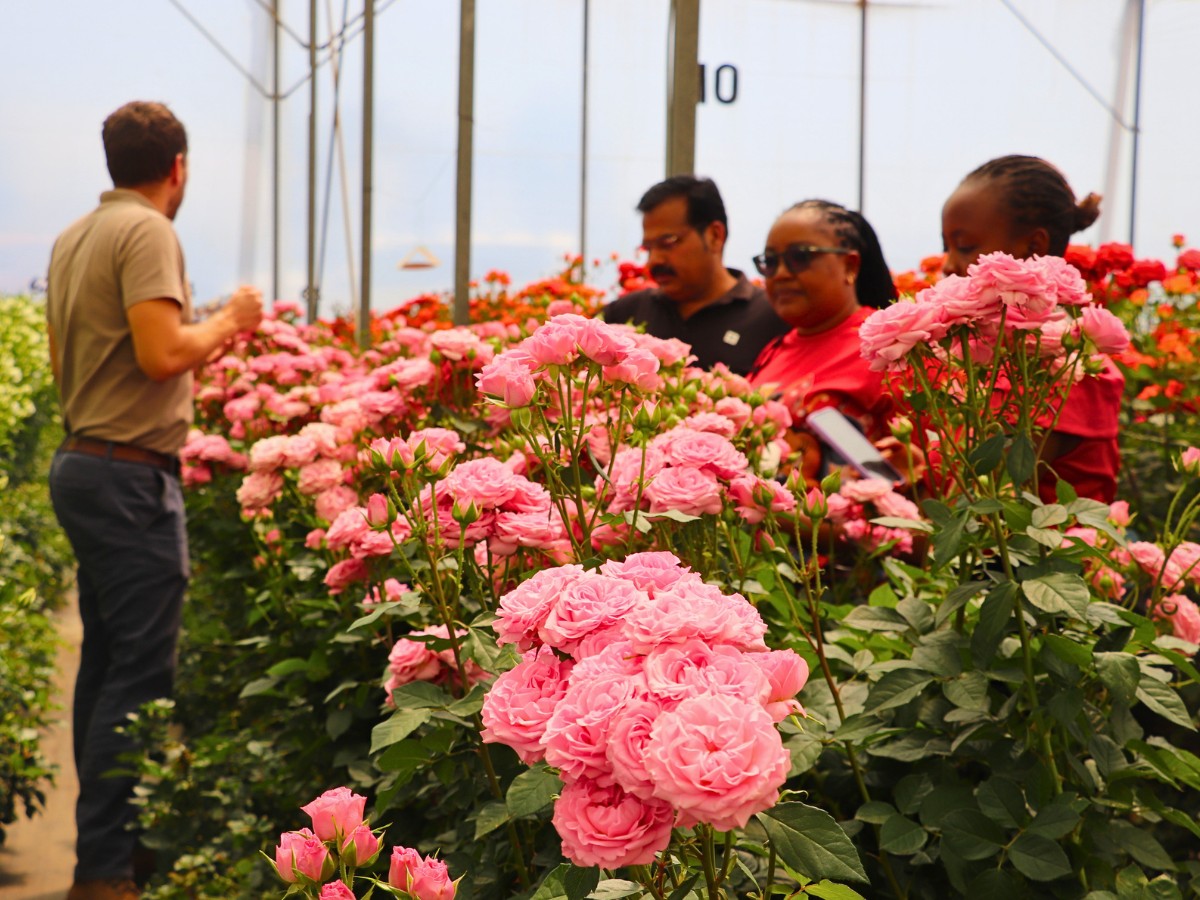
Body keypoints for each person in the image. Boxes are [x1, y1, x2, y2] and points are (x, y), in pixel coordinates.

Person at [46, 101, 263, 900]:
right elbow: (162, 352)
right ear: (179, 167)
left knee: (106, 667)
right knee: (137, 676)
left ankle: (111, 850)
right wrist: (229, 321)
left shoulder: (75, 237)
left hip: (86, 461)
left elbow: (65, 356)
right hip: (128, 473)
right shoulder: (148, 232)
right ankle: (105, 871)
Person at [940, 154, 1124, 503]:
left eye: (965, 247)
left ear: (1034, 246)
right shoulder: (996, 349)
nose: (948, 263)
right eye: (945, 246)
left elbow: (989, 499)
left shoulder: (1069, 366)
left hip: (1045, 553)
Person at [749, 199, 898, 482]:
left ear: (850, 265)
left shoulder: (889, 347)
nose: (781, 273)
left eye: (800, 257)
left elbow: (927, 476)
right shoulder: (775, 349)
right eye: (770, 261)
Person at [602, 175, 789, 374]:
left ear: (715, 235)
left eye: (668, 243)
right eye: (648, 248)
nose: (653, 261)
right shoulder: (625, 314)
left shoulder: (771, 317)